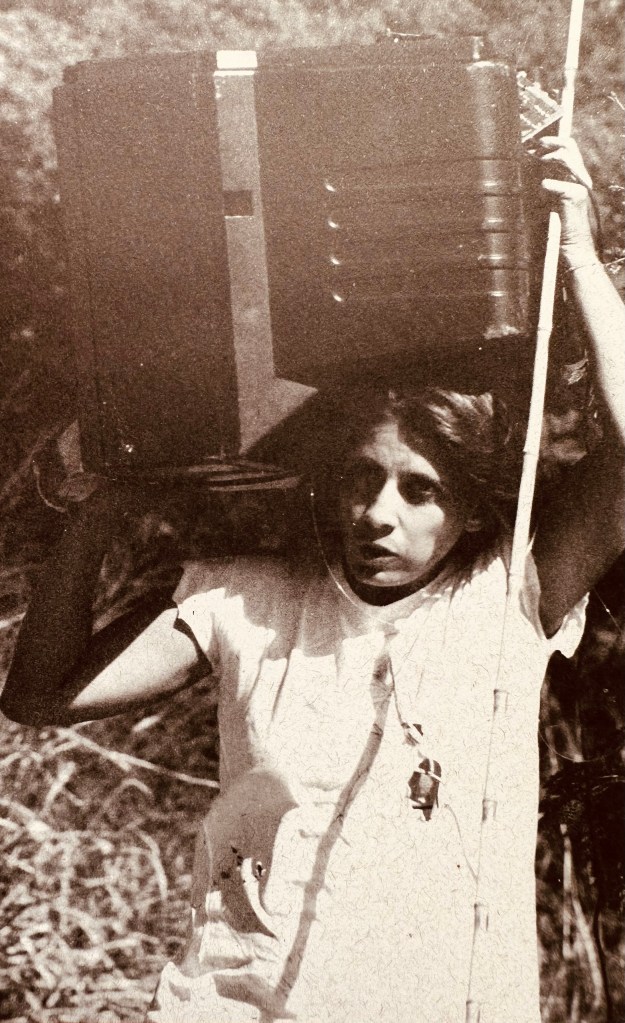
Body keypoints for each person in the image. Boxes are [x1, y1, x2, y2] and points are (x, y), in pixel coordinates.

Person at [1, 139, 623, 1023]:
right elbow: (38, 695)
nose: (377, 514)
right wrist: (102, 510)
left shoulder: (508, 599)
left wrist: (581, 257)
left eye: (419, 490)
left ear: (472, 508)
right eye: (360, 479)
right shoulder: (237, 600)